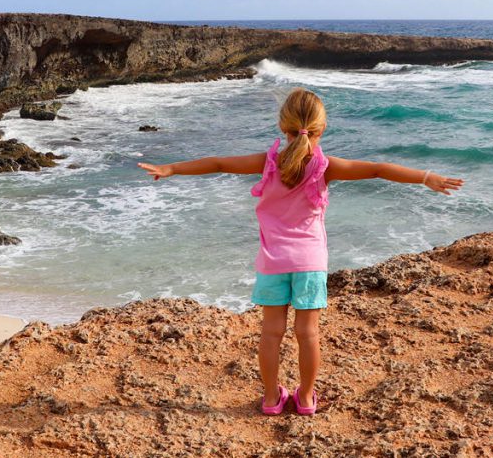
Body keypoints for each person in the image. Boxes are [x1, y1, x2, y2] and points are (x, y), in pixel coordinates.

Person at [137, 87, 463, 416]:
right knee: (307, 333)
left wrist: (172, 168)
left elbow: (220, 163)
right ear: (321, 129)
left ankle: (269, 398)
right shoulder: (326, 166)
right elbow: (378, 169)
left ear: (284, 127)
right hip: (310, 263)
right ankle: (305, 398)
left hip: (273, 262)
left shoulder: (267, 163)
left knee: (271, 332)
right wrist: (426, 177)